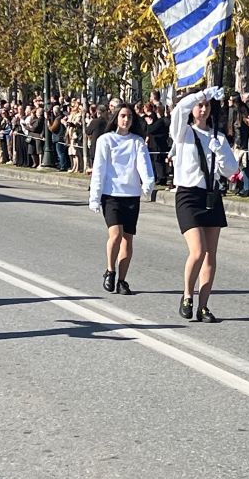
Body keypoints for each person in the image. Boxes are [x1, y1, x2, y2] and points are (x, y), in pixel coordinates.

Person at [170, 86, 239, 323]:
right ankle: (187, 295)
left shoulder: (217, 137)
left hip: (211, 195)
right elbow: (179, 109)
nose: (203, 109)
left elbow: (231, 170)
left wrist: (221, 153)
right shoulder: (183, 132)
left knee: (210, 255)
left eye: (207, 105)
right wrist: (202, 94)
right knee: (197, 251)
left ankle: (203, 306)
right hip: (188, 195)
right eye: (200, 105)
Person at [88, 104, 155, 295]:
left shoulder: (137, 141)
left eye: (129, 117)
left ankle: (122, 281)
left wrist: (147, 183)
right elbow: (99, 169)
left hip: (131, 195)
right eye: (123, 116)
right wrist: (95, 197)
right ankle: (110, 270)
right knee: (115, 235)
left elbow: (144, 164)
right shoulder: (105, 140)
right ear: (116, 117)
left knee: (127, 239)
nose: (126, 120)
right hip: (111, 195)